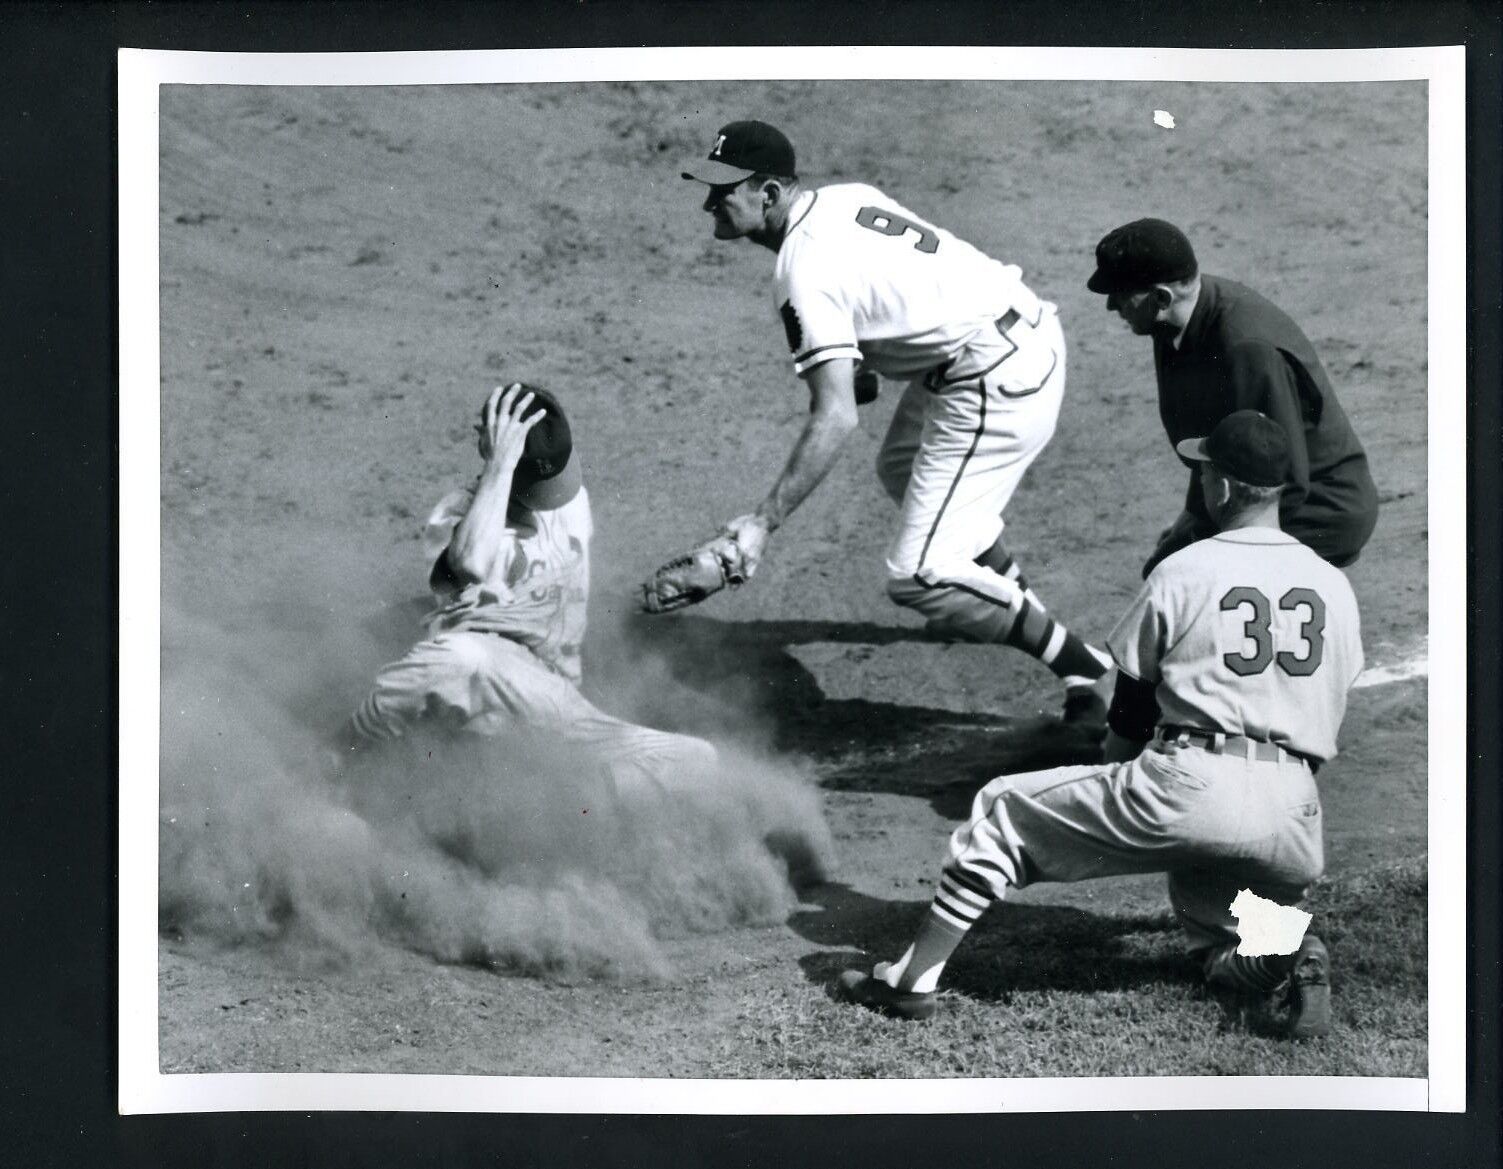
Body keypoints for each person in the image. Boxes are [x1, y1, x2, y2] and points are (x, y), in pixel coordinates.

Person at [834, 411, 1363, 1039]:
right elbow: (1331, 705)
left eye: (1204, 473)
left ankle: (909, 982)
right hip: (1295, 817)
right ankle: (1288, 944)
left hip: (1189, 788)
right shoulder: (1334, 586)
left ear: (1219, 487)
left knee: (1002, 808)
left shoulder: (1185, 570)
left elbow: (1133, 710)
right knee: (1218, 937)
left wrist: (1113, 766)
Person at [676, 120, 1111, 722]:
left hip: (994, 376)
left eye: (724, 190)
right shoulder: (845, 197)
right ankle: (1006, 597)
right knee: (903, 470)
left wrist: (761, 523)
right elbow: (894, 300)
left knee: (918, 576)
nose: (709, 203)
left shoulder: (801, 273)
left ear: (770, 194)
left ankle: (1089, 668)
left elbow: (836, 418)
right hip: (1014, 332)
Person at [337, 382, 718, 795]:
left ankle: (537, 812)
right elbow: (467, 563)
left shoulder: (570, 500)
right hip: (482, 698)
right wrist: (500, 461)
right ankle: (337, 759)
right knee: (459, 658)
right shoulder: (461, 518)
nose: (553, 498)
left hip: (558, 705)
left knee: (699, 762)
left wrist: (644, 595)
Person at [1087, 218, 1379, 577]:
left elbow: (1280, 477)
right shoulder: (1171, 324)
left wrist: (1213, 546)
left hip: (1318, 508)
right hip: (1257, 494)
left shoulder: (1245, 350)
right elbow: (1216, 441)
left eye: (1119, 294)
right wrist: (1191, 521)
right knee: (1166, 566)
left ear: (1162, 297)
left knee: (1190, 582)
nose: (1111, 307)